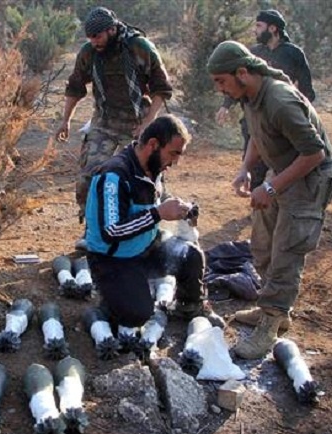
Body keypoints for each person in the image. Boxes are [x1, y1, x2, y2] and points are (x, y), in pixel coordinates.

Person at [207, 41, 332, 359]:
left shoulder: (280, 100)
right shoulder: (250, 97)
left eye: (222, 81)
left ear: (242, 72)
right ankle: (274, 311)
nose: (221, 89)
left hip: (309, 180)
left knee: (286, 252)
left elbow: (314, 153)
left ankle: (270, 324)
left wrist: (271, 187)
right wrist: (245, 170)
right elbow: (256, 135)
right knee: (263, 246)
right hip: (281, 175)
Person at [83, 115, 222, 328]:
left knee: (190, 255)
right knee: (137, 315)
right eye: (174, 154)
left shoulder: (153, 168)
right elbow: (111, 231)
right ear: (153, 144)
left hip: (145, 246)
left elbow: (156, 202)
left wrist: (180, 209)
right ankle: (108, 298)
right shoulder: (114, 175)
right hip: (112, 258)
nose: (175, 162)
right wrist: (157, 214)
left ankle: (189, 306)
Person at [55, 6, 173, 249]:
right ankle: (93, 231)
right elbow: (75, 87)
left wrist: (147, 123)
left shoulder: (139, 48)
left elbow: (162, 88)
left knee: (147, 177)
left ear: (111, 29)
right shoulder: (89, 52)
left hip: (138, 122)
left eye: (97, 36)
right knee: (89, 176)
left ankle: (151, 229)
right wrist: (65, 120)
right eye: (90, 37)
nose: (93, 42)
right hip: (104, 121)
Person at [216, 9, 316, 190]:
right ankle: (257, 200)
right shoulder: (253, 53)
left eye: (259, 26)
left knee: (282, 161)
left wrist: (297, 112)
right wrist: (226, 106)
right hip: (254, 116)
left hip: (281, 116)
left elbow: (307, 90)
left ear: (273, 28)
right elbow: (237, 82)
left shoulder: (293, 53)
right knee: (254, 162)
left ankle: (273, 194)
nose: (255, 30)